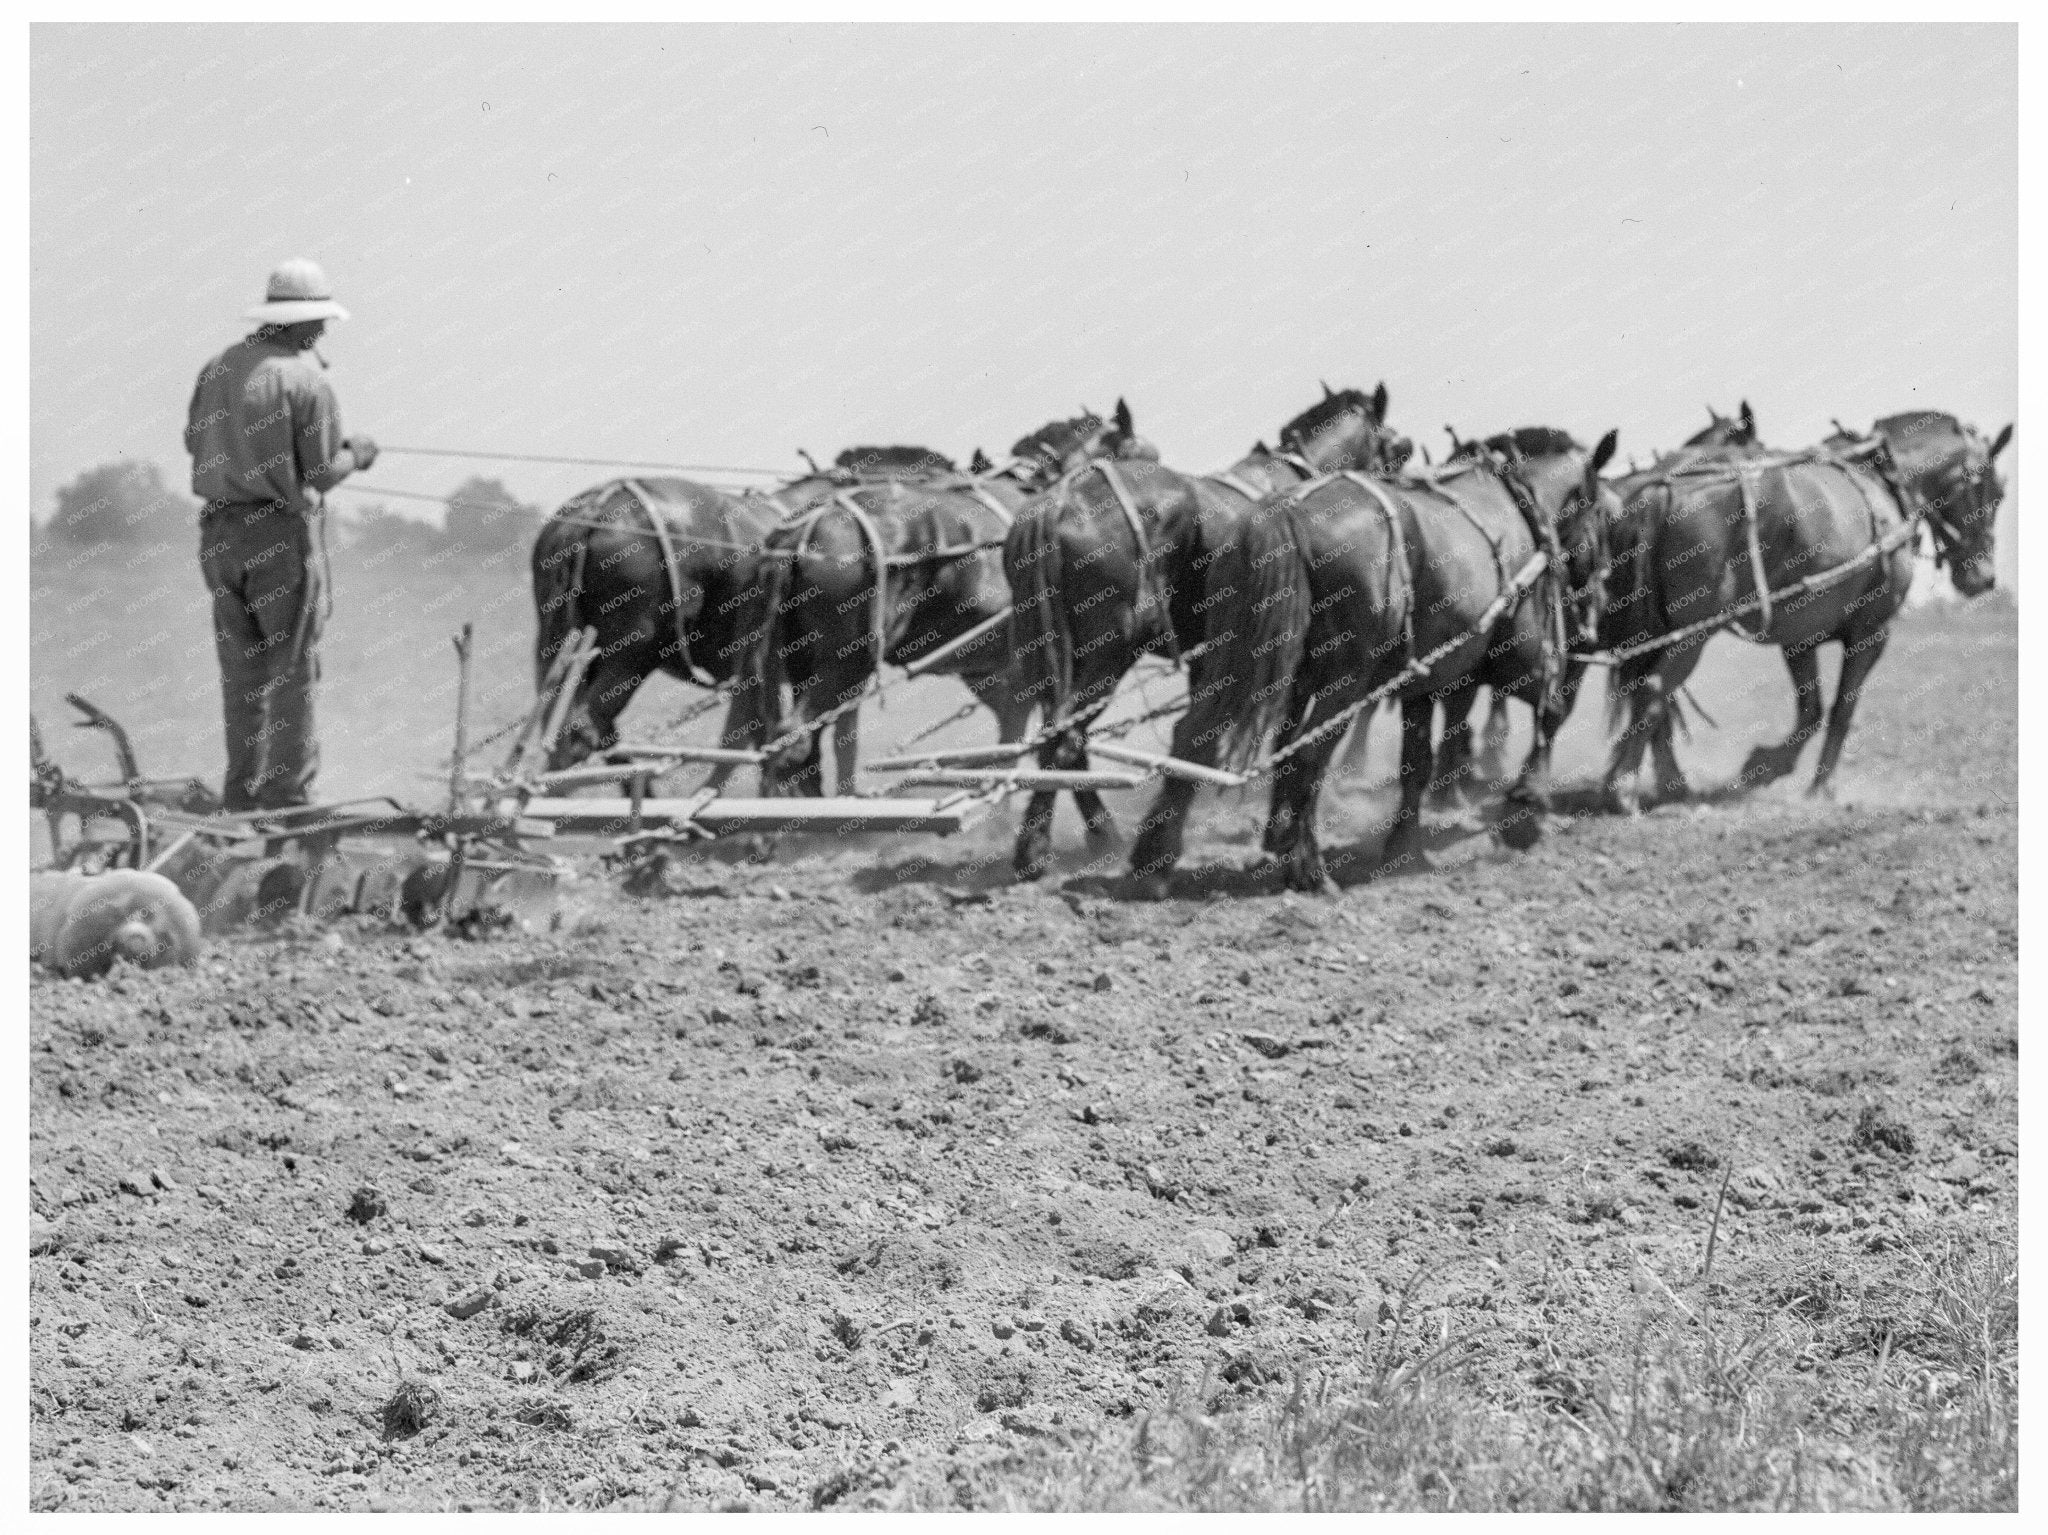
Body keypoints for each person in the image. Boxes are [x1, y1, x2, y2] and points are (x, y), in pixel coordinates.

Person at [185, 259, 377, 812]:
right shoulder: (305, 382)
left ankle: (242, 794)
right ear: (298, 324)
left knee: (241, 674)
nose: (322, 330)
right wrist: (357, 456)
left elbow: (194, 442)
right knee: (291, 671)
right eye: (317, 321)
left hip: (220, 535)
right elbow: (320, 474)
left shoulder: (216, 370)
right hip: (276, 535)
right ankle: (288, 798)